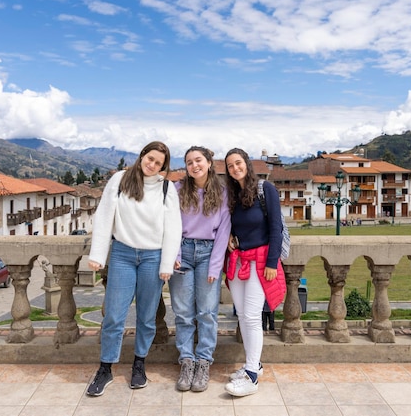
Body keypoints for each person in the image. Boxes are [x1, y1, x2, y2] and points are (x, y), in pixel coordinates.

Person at [86, 141, 182, 397]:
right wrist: (97, 254)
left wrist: (166, 263)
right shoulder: (120, 179)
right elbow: (105, 215)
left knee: (147, 317)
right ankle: (105, 368)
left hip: (153, 257)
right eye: (150, 158)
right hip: (122, 254)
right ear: (142, 156)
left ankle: (139, 364)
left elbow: (173, 227)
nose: (152, 165)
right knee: (114, 316)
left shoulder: (165, 188)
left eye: (158, 163)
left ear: (163, 167)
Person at [223, 147, 286, 397]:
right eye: (230, 166)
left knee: (251, 315)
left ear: (246, 164)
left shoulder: (265, 189)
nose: (235, 168)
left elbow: (276, 227)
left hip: (261, 261)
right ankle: (254, 365)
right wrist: (229, 235)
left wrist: (272, 262)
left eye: (238, 163)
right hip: (239, 261)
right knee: (242, 316)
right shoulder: (233, 195)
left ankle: (251, 376)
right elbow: (231, 223)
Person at [168, 146, 231, 392]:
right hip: (182, 252)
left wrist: (215, 265)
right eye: (189, 162)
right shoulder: (177, 190)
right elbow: (170, 224)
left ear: (208, 162)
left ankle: (204, 361)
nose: (194, 165)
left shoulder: (222, 193)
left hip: (208, 253)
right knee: (183, 312)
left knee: (207, 312)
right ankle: (186, 361)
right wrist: (174, 254)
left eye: (198, 160)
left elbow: (224, 230)